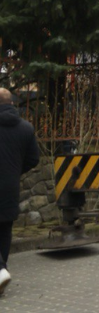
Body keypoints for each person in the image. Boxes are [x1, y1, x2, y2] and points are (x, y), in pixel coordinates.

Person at [0, 88, 41, 296]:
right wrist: (16, 170)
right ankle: (2, 272)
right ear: (12, 104)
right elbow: (34, 159)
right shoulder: (26, 128)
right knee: (5, 229)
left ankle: (0, 271)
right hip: (10, 187)